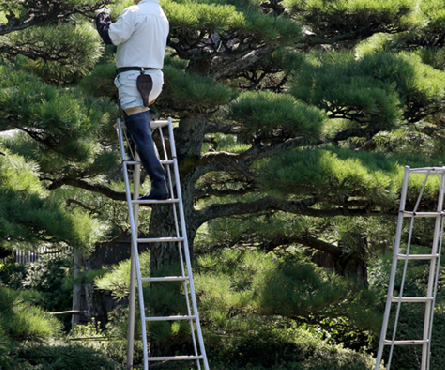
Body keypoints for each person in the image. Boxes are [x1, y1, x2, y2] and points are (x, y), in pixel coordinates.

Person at [95, 0, 169, 200]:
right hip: (154, 78)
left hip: (135, 79)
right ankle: (137, 156)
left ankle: (159, 185)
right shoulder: (161, 14)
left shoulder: (134, 12)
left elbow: (111, 36)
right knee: (141, 128)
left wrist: (102, 15)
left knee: (140, 131)